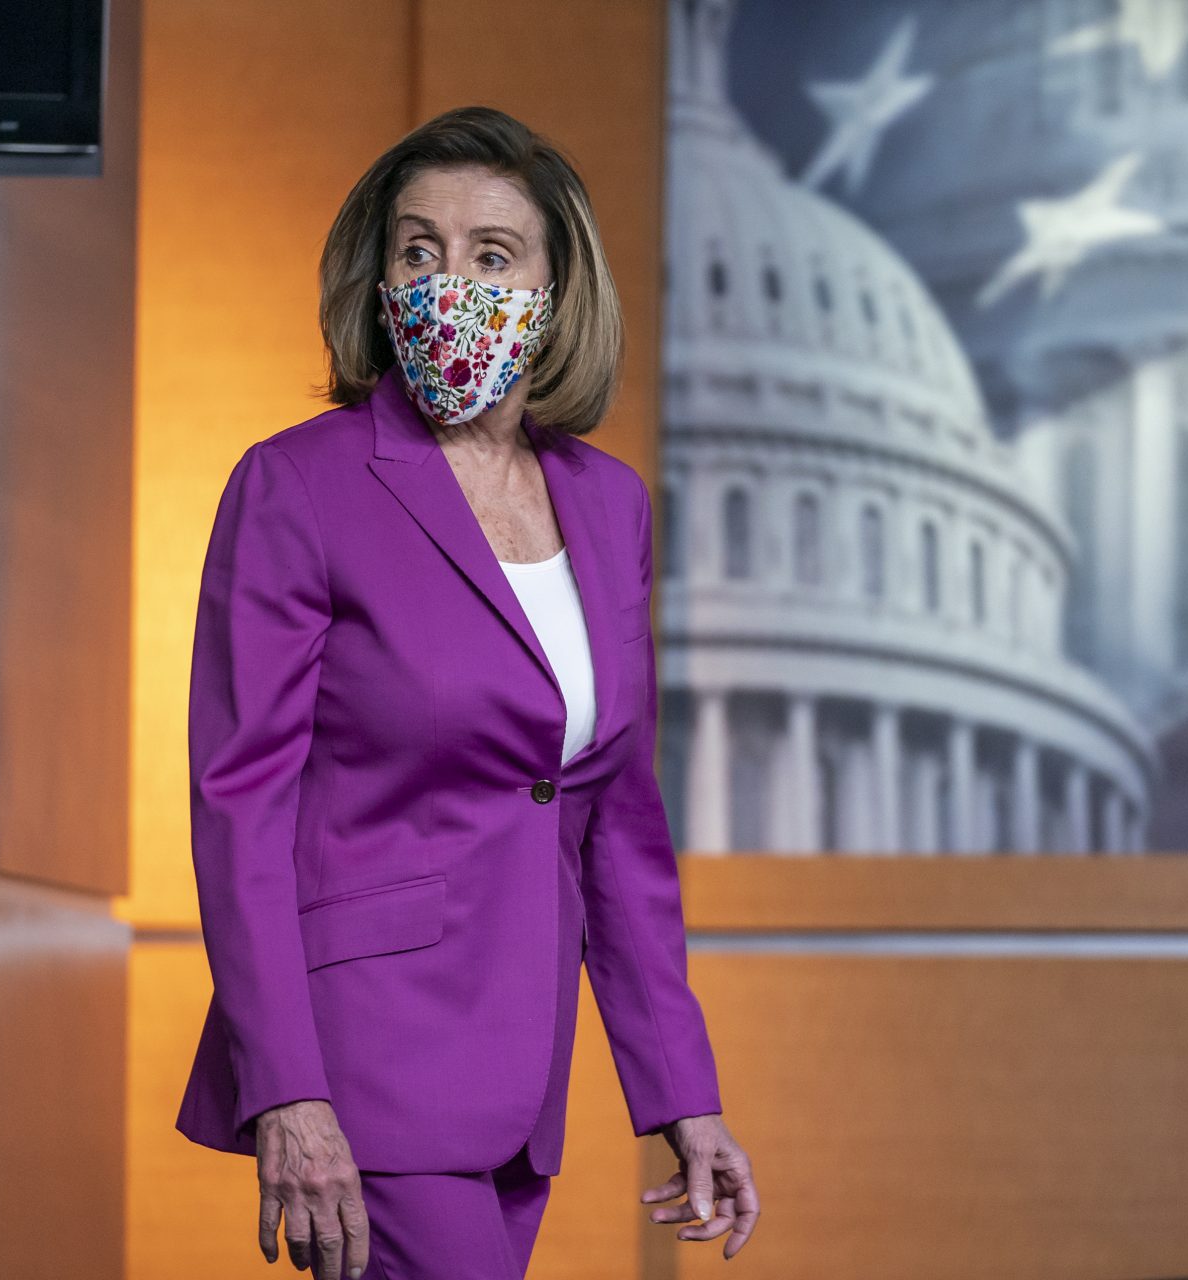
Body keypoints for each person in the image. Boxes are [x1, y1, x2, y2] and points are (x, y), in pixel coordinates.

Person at [174, 104, 760, 1278]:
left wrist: (680, 1092)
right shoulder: (299, 484)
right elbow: (240, 805)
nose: (452, 279)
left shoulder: (609, 505)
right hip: (363, 1067)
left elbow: (615, 829)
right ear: (381, 275)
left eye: (493, 255)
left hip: (519, 1075)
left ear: (554, 288)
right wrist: (284, 1087)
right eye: (419, 249)